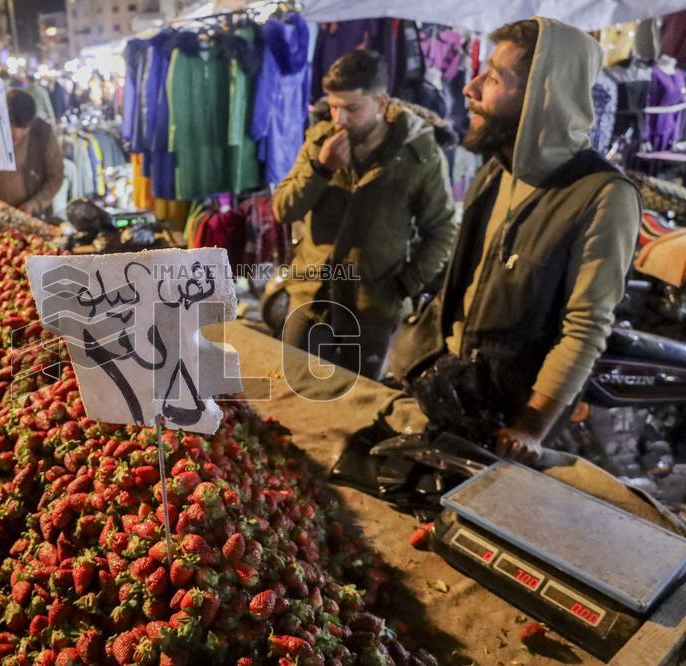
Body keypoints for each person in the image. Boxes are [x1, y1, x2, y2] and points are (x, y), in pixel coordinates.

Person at [389, 18, 641, 462]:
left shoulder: (602, 196)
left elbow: (585, 328)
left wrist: (529, 429)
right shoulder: (496, 171)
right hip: (453, 394)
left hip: (509, 422)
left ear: (544, 95)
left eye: (494, 78)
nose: (470, 88)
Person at [273, 50, 457, 379]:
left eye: (352, 108)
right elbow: (284, 208)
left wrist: (404, 285)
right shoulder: (320, 142)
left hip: (372, 307)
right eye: (333, 106)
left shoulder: (418, 154)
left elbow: (441, 229)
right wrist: (320, 169)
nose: (339, 119)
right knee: (294, 396)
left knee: (357, 408)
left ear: (382, 103)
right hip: (312, 297)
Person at [0, 88, 63, 215]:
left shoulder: (43, 131)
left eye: (24, 129)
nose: (17, 134)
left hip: (31, 215)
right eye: (11, 128)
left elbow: (56, 175)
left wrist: (35, 204)